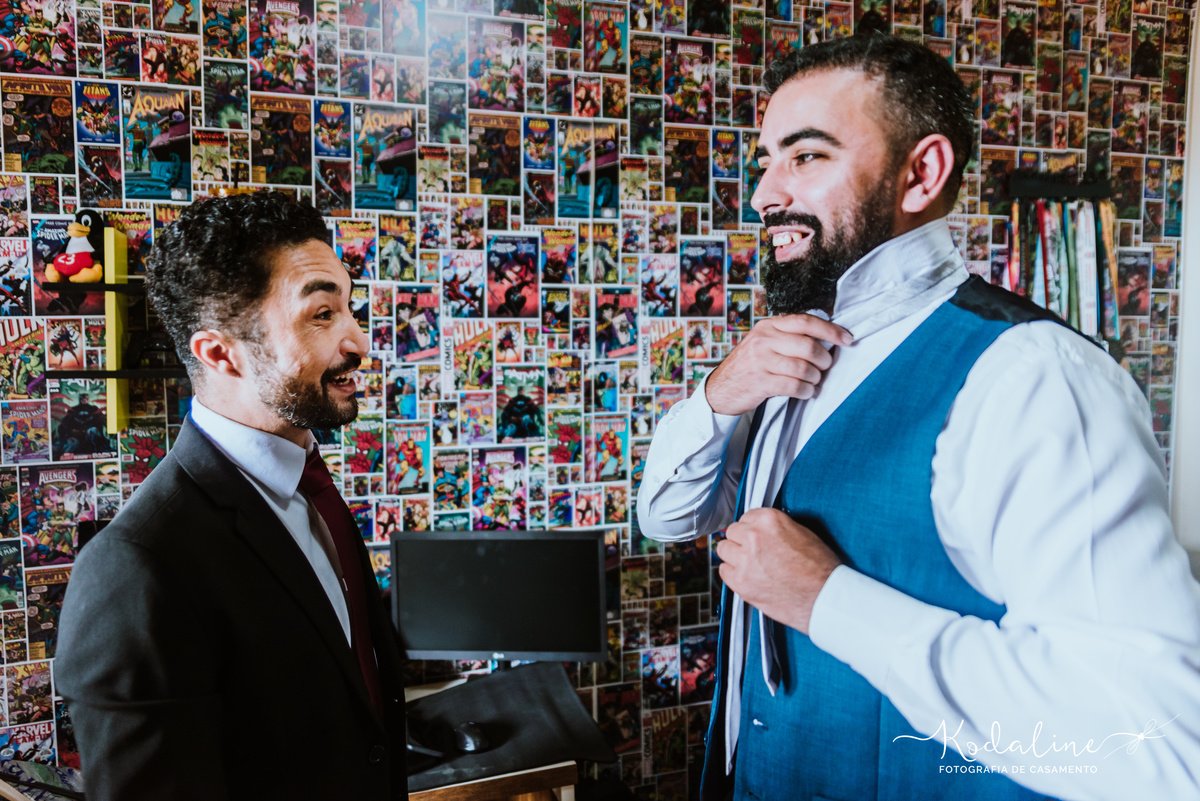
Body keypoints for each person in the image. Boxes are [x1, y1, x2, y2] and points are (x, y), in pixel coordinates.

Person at [636, 34, 1200, 801]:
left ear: (922, 172)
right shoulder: (783, 351)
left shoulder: (1033, 378)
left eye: (805, 157)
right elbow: (667, 516)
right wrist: (716, 396)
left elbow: (1160, 751)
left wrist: (828, 599)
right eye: (766, 159)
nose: (765, 193)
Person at [56, 193, 409, 800]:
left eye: (348, 308)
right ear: (220, 353)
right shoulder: (136, 568)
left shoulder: (313, 490)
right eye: (322, 315)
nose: (357, 342)